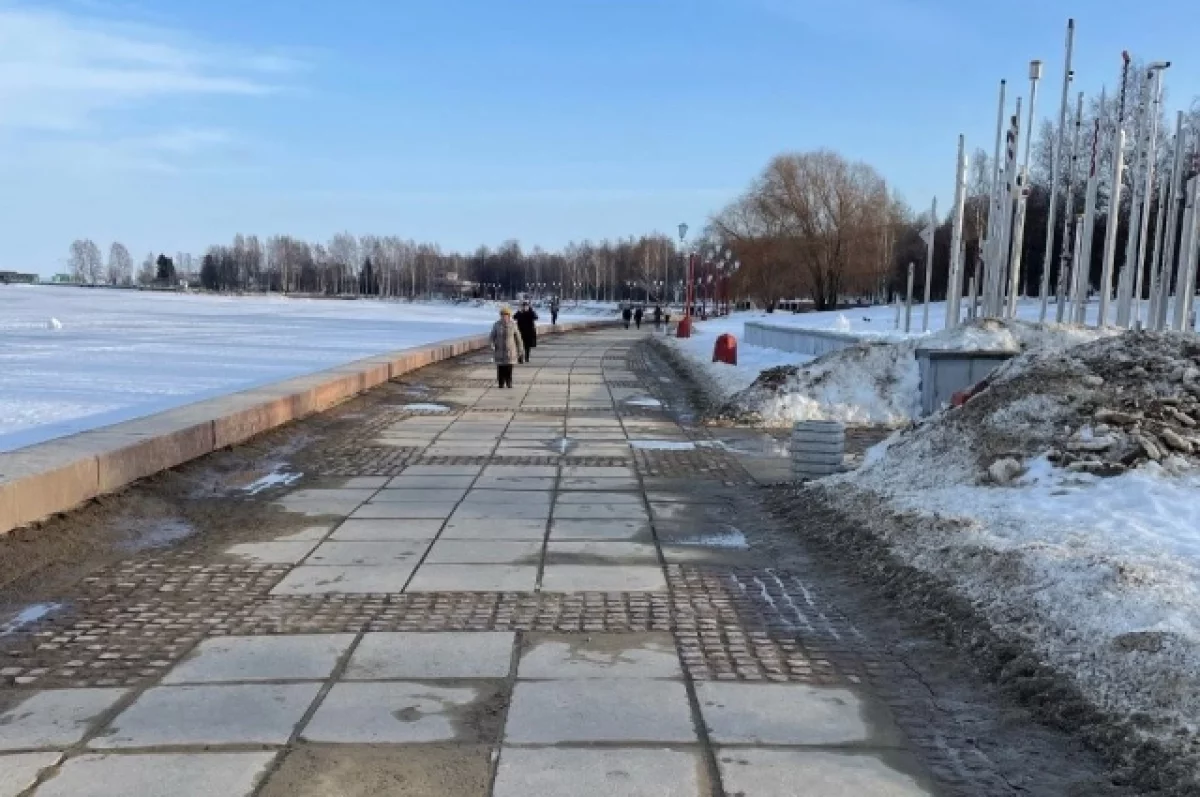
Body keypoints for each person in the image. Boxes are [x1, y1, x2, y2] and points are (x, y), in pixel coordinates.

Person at [490, 306, 523, 388]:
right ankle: (501, 382)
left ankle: (509, 382)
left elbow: (518, 338)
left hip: (510, 350)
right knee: (500, 367)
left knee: (509, 367)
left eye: (506, 315)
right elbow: (492, 336)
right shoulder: (496, 325)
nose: (504, 317)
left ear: (509, 316)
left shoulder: (513, 325)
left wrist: (520, 349)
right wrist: (492, 344)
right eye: (502, 315)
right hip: (499, 350)